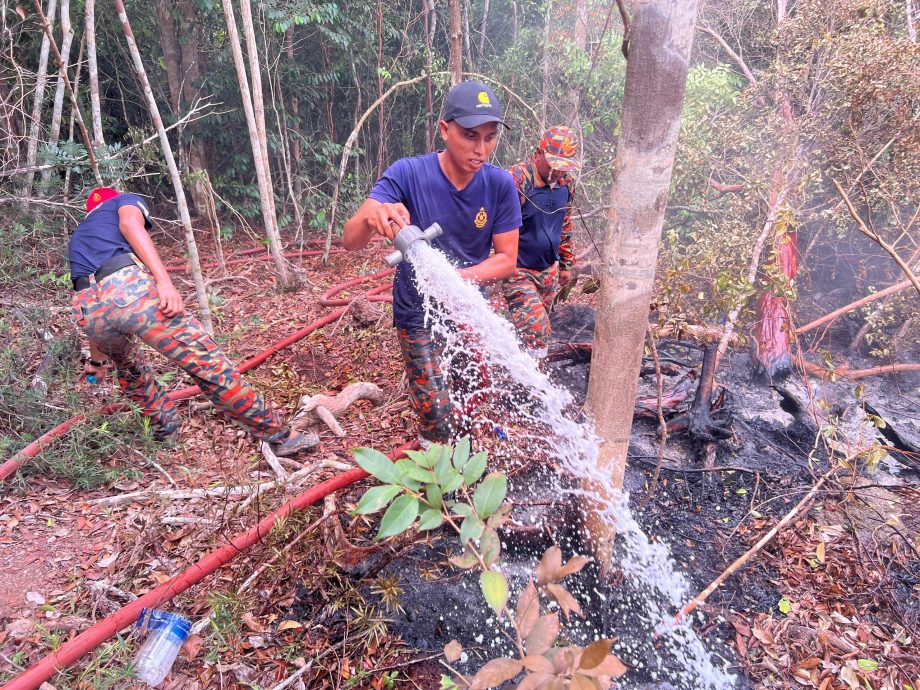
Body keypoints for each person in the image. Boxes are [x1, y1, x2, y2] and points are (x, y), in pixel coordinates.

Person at [342, 80, 522, 447]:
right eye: (470, 136)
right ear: (445, 129)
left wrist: (456, 281)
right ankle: (439, 477)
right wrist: (372, 216)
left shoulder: (499, 185)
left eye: (490, 137)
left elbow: (507, 260)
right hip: (417, 313)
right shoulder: (409, 173)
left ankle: (469, 456)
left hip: (470, 305)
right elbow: (350, 241)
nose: (480, 149)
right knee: (434, 412)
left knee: (475, 391)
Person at [69, 187, 313, 456]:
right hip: (127, 290)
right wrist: (164, 281)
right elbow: (129, 224)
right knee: (204, 361)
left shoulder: (81, 233)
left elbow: (93, 296)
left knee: (130, 371)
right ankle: (280, 436)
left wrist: (96, 362)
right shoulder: (122, 201)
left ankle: (165, 434)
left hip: (87, 307)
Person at [503, 125, 579, 358]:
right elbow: (496, 225)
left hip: (548, 271)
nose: (557, 172)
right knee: (537, 330)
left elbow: (564, 222)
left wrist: (566, 263)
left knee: (532, 335)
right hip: (518, 270)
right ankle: (535, 384)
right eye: (552, 165)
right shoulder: (517, 179)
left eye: (562, 167)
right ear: (538, 154)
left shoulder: (567, 183)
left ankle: (526, 380)